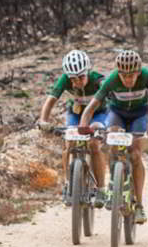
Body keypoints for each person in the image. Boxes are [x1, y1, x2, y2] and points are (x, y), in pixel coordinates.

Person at [79, 46, 148, 222]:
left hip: (139, 114)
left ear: (138, 72)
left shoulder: (147, 75)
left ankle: (140, 205)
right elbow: (92, 106)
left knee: (135, 154)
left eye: (131, 75)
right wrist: (83, 124)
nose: (127, 79)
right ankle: (113, 184)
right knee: (110, 139)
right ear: (118, 73)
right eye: (123, 75)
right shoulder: (111, 79)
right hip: (117, 113)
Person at [37, 49, 108, 202]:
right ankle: (68, 184)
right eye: (73, 79)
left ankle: (101, 189)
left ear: (88, 71)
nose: (77, 81)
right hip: (75, 114)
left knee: (94, 145)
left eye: (81, 76)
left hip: (98, 113)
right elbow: (50, 101)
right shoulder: (64, 80)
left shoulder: (97, 80)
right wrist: (43, 120)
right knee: (69, 143)